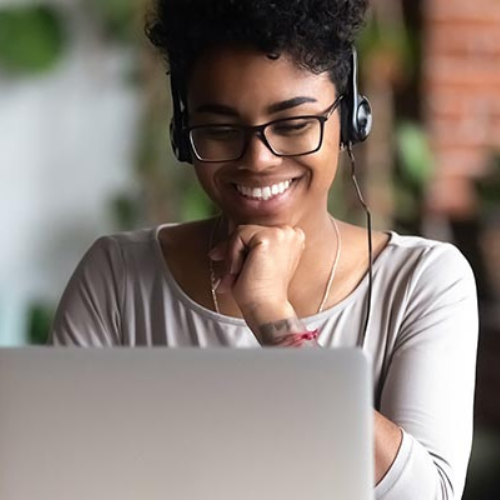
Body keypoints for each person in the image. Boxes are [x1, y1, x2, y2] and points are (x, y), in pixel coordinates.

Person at [49, 0, 478, 498]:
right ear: (183, 136)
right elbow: (56, 480)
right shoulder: (117, 277)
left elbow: (427, 495)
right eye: (220, 129)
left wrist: (273, 318)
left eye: (294, 125)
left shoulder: (423, 281)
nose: (258, 160)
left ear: (351, 117)